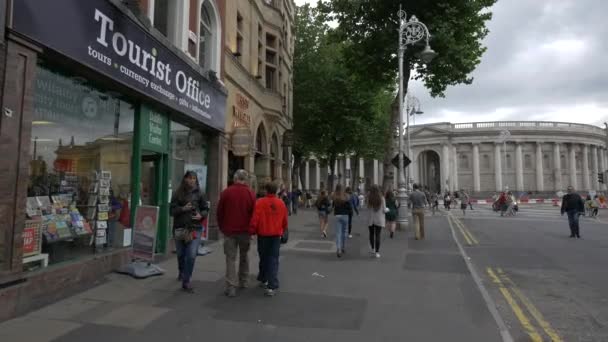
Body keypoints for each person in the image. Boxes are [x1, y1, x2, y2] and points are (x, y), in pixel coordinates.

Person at [216, 169, 256, 297]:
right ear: (246, 179)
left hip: (229, 231)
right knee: (244, 256)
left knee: (230, 259)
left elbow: (219, 212)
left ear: (235, 178)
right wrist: (252, 230)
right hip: (245, 231)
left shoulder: (226, 192)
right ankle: (243, 281)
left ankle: (231, 286)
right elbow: (253, 214)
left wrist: (222, 228)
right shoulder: (250, 193)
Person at [170, 171, 209, 293]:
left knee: (191, 255)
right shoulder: (178, 193)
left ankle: (186, 281)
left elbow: (206, 209)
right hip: (180, 228)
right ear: (185, 179)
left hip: (194, 228)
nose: (192, 180)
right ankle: (182, 271)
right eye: (189, 178)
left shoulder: (200, 193)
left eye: (194, 178)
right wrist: (182, 208)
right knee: (181, 254)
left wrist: (201, 215)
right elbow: (171, 211)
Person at [250, 182, 288, 297]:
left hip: (263, 234)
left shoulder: (260, 202)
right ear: (276, 191)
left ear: (266, 190)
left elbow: (255, 219)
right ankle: (271, 285)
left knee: (263, 257)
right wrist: (283, 229)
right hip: (276, 235)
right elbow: (285, 220)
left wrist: (252, 231)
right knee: (273, 259)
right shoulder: (281, 203)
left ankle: (264, 278)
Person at [332, 184, 352, 258]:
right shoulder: (346, 196)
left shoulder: (334, 196)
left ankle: (338, 249)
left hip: (337, 215)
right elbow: (349, 207)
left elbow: (333, 206)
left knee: (338, 233)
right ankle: (343, 247)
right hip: (345, 216)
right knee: (344, 232)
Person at [366, 185, 386, 258]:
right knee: (378, 235)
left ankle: (372, 249)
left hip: (371, 219)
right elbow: (384, 209)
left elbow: (367, 207)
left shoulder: (369, 198)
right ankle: (377, 252)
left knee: (371, 234)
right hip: (379, 219)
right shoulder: (382, 198)